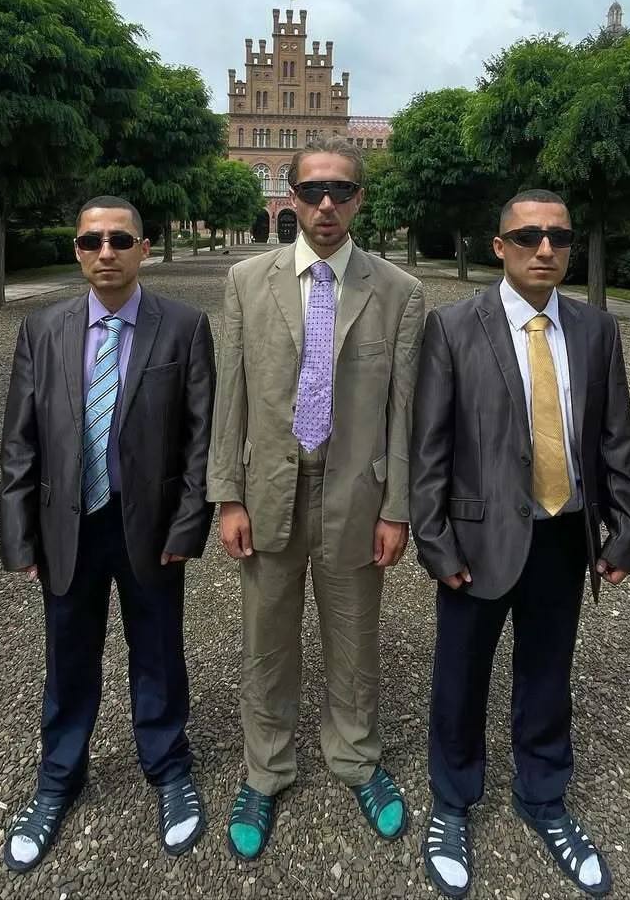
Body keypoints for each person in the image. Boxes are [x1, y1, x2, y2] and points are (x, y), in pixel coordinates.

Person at [410, 189, 630, 898]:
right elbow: (430, 447)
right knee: (461, 676)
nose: (545, 249)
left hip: (563, 535)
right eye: (528, 236)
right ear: (500, 246)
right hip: (477, 539)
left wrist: (628, 525)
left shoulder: (596, 330)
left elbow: (615, 436)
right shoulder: (454, 327)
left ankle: (544, 797)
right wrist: (435, 540)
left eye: (559, 237)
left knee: (547, 674)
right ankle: (453, 802)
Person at [207, 137, 425, 861]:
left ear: (359, 199)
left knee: (355, 641)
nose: (325, 204)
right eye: (311, 191)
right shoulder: (246, 281)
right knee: (266, 643)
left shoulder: (398, 291)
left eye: (340, 191)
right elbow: (230, 397)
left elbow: (403, 412)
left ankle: (355, 757)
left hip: (356, 496)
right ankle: (265, 770)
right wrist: (226, 496)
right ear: (293, 198)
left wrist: (396, 508)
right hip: (269, 490)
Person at [0, 195, 215, 872]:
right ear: (77, 251)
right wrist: (19, 534)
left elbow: (201, 440)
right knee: (68, 656)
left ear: (143, 248)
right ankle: (59, 777)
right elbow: (20, 441)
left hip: (149, 525)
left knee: (158, 652)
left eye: (120, 240)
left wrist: (188, 525)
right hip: (69, 523)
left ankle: (168, 767)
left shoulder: (184, 327)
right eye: (92, 241)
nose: (106, 252)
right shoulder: (43, 330)